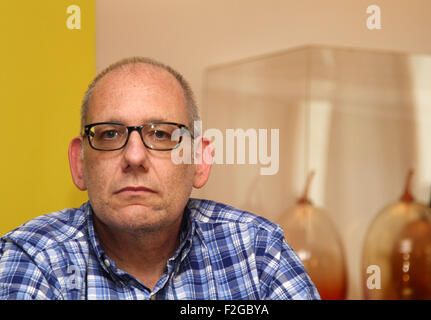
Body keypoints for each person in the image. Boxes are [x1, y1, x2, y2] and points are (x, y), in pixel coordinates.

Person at [0, 57, 320, 300]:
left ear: (199, 161)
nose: (135, 157)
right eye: (110, 134)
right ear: (79, 163)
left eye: (162, 134)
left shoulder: (257, 252)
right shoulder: (35, 260)